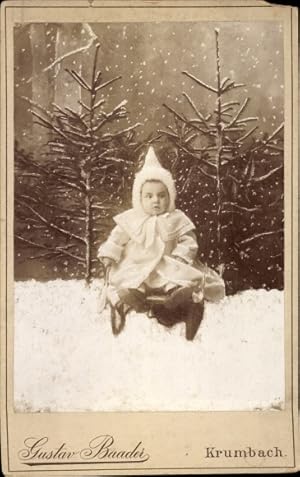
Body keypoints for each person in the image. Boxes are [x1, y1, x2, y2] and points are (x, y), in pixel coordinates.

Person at [98, 146, 225, 340]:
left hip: (168, 262)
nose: (156, 201)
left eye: (161, 195)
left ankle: (176, 293)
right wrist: (109, 254)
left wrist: (181, 255)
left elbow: (189, 241)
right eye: (149, 196)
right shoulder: (131, 218)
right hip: (137, 264)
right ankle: (133, 296)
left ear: (170, 196)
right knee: (132, 278)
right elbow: (116, 238)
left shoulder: (176, 218)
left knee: (175, 277)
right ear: (139, 198)